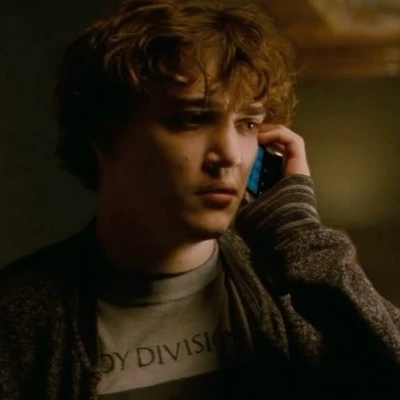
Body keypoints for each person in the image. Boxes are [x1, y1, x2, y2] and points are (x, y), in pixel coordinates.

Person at [1, 0, 399, 399]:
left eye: (248, 124)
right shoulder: (17, 317)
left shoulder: (296, 284)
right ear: (104, 135)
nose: (230, 155)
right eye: (193, 118)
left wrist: (301, 238)